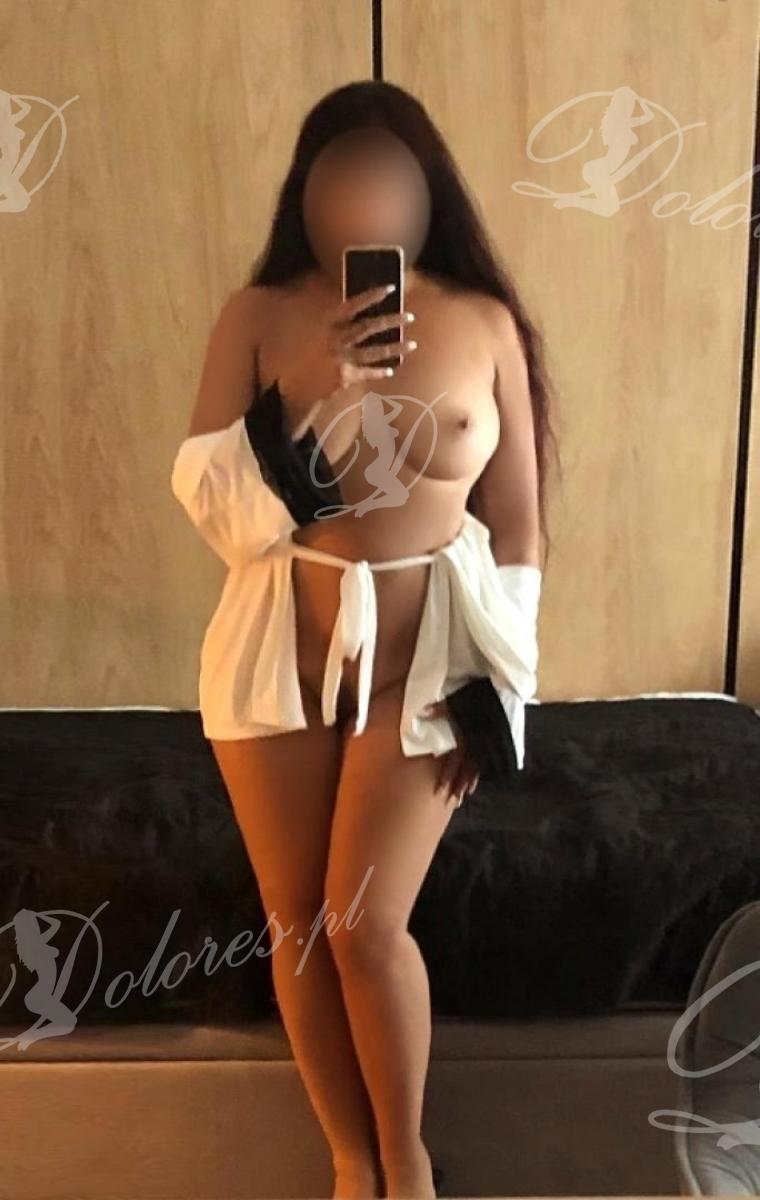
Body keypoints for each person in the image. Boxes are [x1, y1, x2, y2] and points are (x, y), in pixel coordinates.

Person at [170, 80, 558, 1200]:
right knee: (298, 923)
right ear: (307, 189)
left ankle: (407, 1161)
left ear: (429, 191)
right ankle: (350, 1164)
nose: (366, 195)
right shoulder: (258, 318)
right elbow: (214, 510)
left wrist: (504, 685)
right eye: (341, 173)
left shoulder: (482, 323)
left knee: (366, 926)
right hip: (283, 654)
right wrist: (304, 386)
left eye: (391, 174)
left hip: (424, 669)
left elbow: (518, 525)